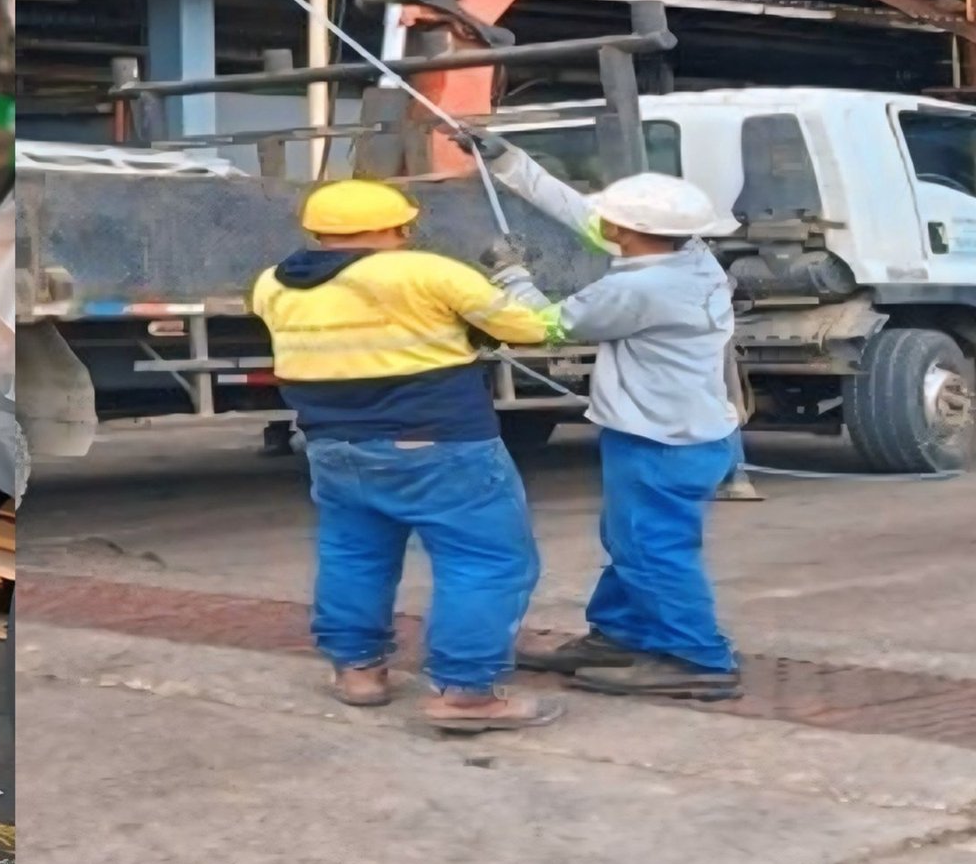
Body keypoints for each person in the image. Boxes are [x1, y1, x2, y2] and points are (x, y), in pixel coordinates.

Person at [249, 178, 564, 735]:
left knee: (354, 556)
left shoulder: (271, 284)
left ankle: (359, 671)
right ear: (399, 227)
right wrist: (512, 280)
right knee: (484, 562)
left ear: (316, 230)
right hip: (440, 443)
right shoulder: (427, 271)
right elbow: (532, 328)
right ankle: (466, 695)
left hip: (334, 447)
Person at [468, 135, 745, 700]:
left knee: (652, 549)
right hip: (683, 432)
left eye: (611, 217)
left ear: (625, 230)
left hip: (660, 439)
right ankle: (620, 635)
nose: (600, 220)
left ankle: (699, 659)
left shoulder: (640, 288)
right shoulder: (690, 256)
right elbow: (583, 215)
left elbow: (544, 325)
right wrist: (509, 162)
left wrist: (509, 274)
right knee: (632, 541)